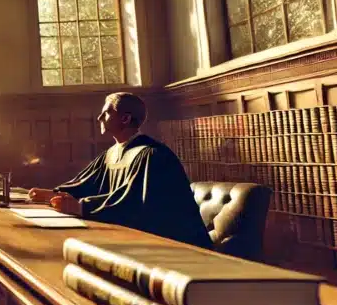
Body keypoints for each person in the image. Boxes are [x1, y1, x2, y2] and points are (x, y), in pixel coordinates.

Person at [28, 92, 211, 249]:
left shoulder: (152, 155)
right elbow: (87, 184)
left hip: (175, 247)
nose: (99, 118)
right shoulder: (111, 154)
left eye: (106, 113)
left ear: (125, 118)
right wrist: (53, 194)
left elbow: (135, 203)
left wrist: (82, 207)